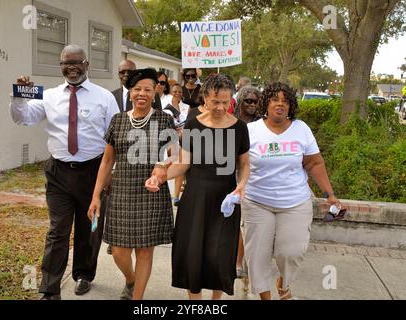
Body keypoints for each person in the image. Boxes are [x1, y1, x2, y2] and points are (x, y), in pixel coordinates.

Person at [10, 45, 120, 300]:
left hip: (93, 172)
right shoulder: (49, 96)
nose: (71, 67)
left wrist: (111, 173)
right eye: (65, 63)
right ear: (60, 66)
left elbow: (115, 139)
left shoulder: (104, 97)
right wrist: (18, 97)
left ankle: (83, 275)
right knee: (58, 230)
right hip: (58, 172)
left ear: (87, 63)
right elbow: (22, 118)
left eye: (76, 62)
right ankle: (50, 289)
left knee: (88, 229)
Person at [146, 74, 250, 300]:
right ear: (205, 98)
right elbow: (184, 163)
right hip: (195, 197)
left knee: (220, 255)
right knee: (194, 252)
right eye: (215, 101)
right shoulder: (193, 124)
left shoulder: (240, 128)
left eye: (225, 101)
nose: (221, 107)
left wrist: (241, 185)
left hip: (225, 201)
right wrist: (161, 177)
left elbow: (244, 165)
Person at [242, 82, 341, 300]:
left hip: (295, 202)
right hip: (257, 202)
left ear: (291, 106)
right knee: (257, 256)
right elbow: (239, 164)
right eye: (275, 99)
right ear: (266, 103)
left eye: (285, 101)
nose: (280, 104)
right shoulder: (250, 131)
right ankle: (264, 297)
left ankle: (283, 283)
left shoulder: (301, 129)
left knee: (291, 253)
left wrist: (329, 194)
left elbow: (314, 163)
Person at [87, 68, 177, 300]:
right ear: (130, 93)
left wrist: (162, 166)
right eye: (137, 89)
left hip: (151, 193)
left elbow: (175, 154)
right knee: (119, 251)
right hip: (122, 192)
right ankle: (130, 278)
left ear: (155, 92)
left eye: (147, 89)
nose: (142, 94)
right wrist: (96, 196)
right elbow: (107, 160)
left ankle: (137, 298)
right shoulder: (118, 121)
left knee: (145, 251)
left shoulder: (164, 119)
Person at [233, 85, 262, 280]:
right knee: (232, 219)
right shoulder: (232, 121)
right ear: (240, 101)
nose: (252, 104)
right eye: (248, 101)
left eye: (255, 101)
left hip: (251, 174)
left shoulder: (261, 123)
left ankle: (238, 261)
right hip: (229, 173)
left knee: (245, 221)